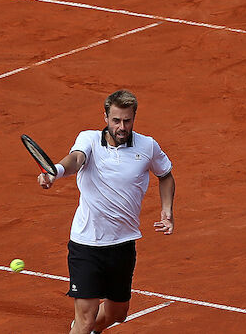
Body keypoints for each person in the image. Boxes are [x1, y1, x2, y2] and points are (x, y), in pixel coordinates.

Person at [37, 89, 176, 333]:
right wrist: (56, 171)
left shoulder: (147, 146)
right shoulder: (89, 139)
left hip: (122, 244)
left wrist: (167, 211)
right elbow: (76, 159)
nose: (121, 127)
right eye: (116, 121)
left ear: (134, 118)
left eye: (127, 121)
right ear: (105, 118)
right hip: (86, 245)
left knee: (118, 314)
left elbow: (165, 175)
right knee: (86, 318)